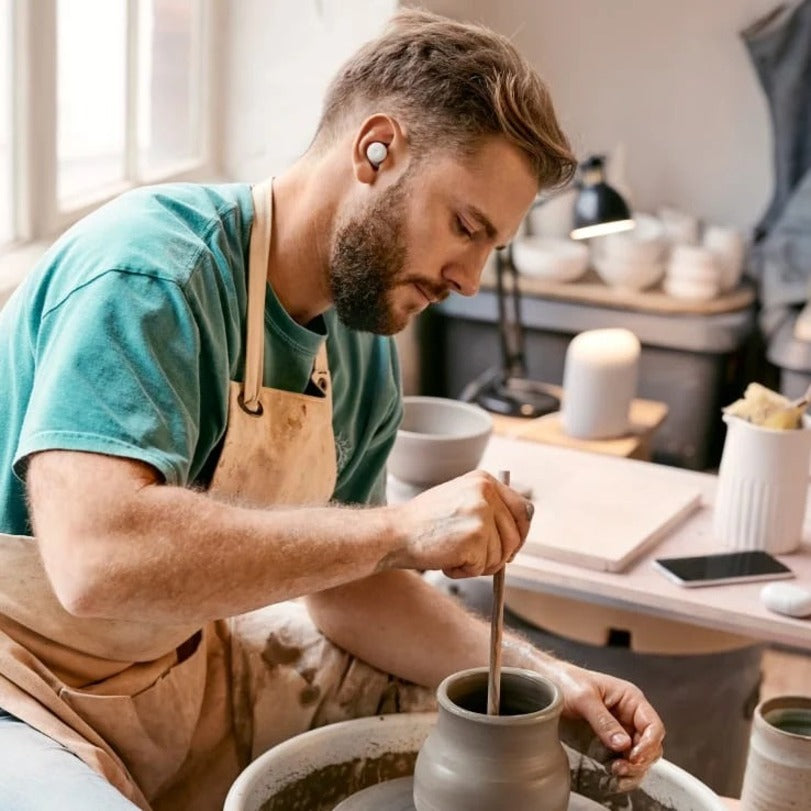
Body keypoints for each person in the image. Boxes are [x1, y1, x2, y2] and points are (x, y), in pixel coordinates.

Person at [0, 8, 665, 809]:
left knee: (477, 724)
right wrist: (399, 529)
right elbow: (96, 560)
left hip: (175, 664)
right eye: (465, 226)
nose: (469, 280)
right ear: (375, 148)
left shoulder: (358, 349)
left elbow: (348, 585)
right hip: (18, 675)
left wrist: (542, 676)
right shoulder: (153, 274)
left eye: (491, 248)